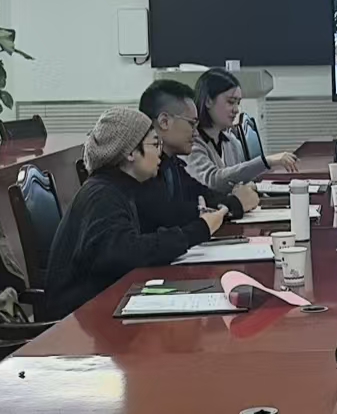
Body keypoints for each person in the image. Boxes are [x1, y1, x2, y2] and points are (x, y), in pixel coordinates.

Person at [44, 108, 227, 320]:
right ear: (130, 152)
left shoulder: (120, 187)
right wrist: (199, 230)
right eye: (154, 144)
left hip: (103, 305)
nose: (159, 153)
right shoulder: (102, 195)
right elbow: (128, 253)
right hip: (80, 319)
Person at [136, 80, 260, 232]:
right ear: (164, 122)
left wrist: (234, 201)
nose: (195, 133)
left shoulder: (172, 163)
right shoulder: (143, 169)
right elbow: (172, 216)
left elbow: (205, 196)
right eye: (191, 124)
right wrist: (237, 203)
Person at [186, 68, 298, 193]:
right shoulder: (189, 143)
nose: (236, 110)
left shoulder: (231, 142)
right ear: (208, 101)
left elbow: (238, 180)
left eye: (238, 103)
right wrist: (267, 161)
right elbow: (213, 181)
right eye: (230, 102)